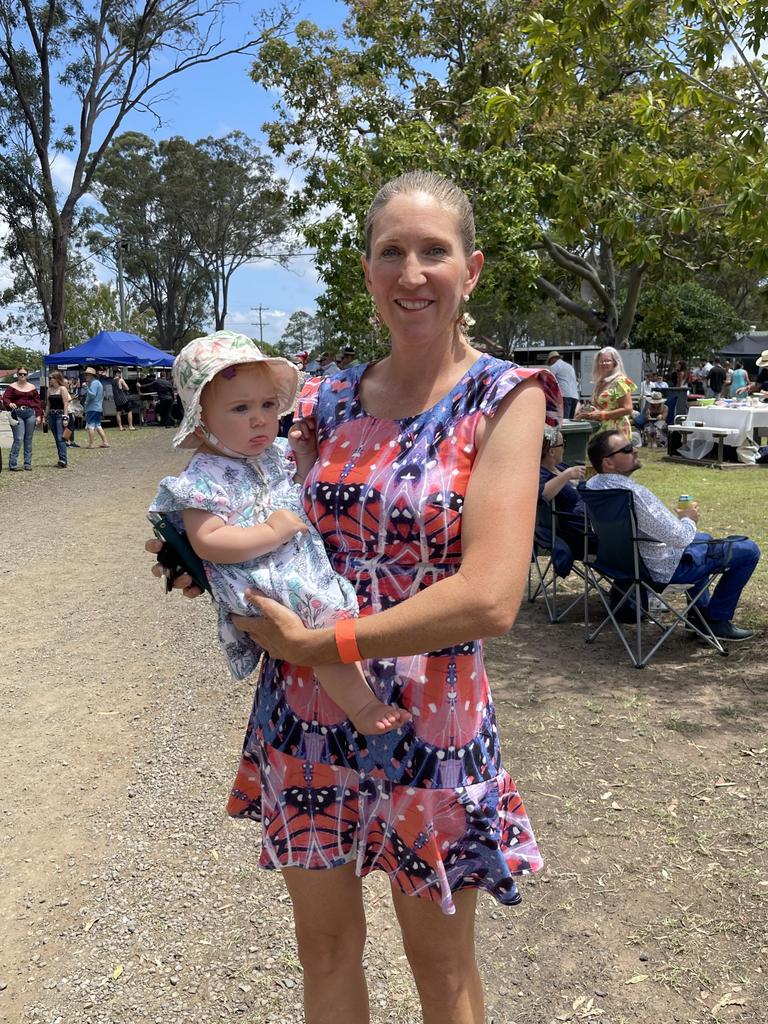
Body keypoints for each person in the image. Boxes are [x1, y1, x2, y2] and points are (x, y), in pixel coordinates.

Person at [147, 170, 560, 1024]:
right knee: (326, 953)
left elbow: (489, 599)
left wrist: (321, 646)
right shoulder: (323, 402)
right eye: (391, 252)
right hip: (305, 713)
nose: (413, 272)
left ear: (471, 269)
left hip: (429, 717)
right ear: (368, 272)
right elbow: (259, 510)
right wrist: (195, 556)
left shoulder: (504, 398)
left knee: (438, 966)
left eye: (434, 252)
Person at [150, 331, 411, 736]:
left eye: (268, 405)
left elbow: (300, 493)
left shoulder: (271, 453)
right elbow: (209, 542)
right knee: (317, 620)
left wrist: (305, 458)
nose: (259, 418)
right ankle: (361, 706)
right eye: (240, 408)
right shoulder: (201, 477)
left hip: (295, 563)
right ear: (201, 422)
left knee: (332, 614)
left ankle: (360, 690)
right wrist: (271, 530)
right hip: (259, 578)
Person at [586, 430, 759, 642]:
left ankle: (699, 617)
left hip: (623, 565)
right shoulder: (634, 494)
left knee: (704, 540)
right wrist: (688, 517)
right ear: (609, 463)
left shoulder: (592, 487)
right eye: (628, 449)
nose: (636, 451)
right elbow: (680, 538)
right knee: (748, 549)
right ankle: (716, 622)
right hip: (661, 571)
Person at [576, 346, 635, 441]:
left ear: (615, 363)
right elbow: (599, 409)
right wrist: (585, 413)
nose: (604, 363)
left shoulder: (620, 381)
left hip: (617, 430)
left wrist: (602, 415)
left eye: (608, 360)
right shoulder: (600, 382)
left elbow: (628, 409)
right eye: (601, 361)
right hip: (602, 428)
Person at [2, 367, 42, 471]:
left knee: (28, 439)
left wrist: (38, 415)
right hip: (17, 414)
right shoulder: (12, 387)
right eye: (20, 374)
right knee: (18, 438)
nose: (22, 376)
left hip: (30, 413)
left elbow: (37, 402)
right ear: (17, 375)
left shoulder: (32, 387)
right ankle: (13, 464)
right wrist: (9, 403)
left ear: (27, 375)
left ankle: (27, 463)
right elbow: (5, 398)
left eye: (24, 374)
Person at [539, 426, 585, 513]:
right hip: (577, 522)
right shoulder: (541, 472)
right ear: (552, 451)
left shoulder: (559, 466)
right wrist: (566, 475)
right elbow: (542, 495)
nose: (564, 448)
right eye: (562, 444)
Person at [44, 370, 70, 468]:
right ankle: (60, 458)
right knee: (56, 438)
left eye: (51, 378)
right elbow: (48, 404)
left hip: (60, 414)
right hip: (51, 415)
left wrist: (65, 417)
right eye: (49, 378)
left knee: (61, 437)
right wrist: (45, 416)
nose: (49, 380)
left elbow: (65, 403)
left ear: (56, 379)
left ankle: (63, 459)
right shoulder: (49, 390)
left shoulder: (62, 388)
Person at [546, 351, 579, 418]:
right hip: (575, 396)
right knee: (570, 420)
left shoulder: (555, 366)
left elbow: (549, 380)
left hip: (564, 396)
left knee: (564, 421)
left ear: (552, 359)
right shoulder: (570, 366)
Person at [83, 367, 110, 448]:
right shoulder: (98, 383)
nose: (85, 376)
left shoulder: (94, 383)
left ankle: (91, 444)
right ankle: (105, 442)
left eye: (87, 375)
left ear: (91, 375)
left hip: (92, 407)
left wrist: (86, 388)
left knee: (90, 426)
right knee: (98, 425)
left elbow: (92, 395)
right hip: (97, 407)